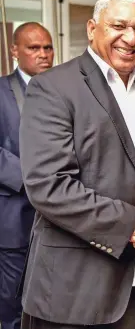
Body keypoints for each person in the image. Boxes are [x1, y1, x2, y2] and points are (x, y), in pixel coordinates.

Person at [19, 0, 135, 329]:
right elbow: (48, 186)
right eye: (119, 25)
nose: (130, 37)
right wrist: (132, 222)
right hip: (76, 290)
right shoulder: (53, 87)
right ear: (92, 29)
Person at [0, 22, 54, 329]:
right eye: (34, 48)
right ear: (15, 51)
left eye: (47, 48)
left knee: (52, 302)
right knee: (12, 306)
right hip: (14, 217)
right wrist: (36, 178)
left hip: (61, 221)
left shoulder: (64, 91)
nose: (43, 55)